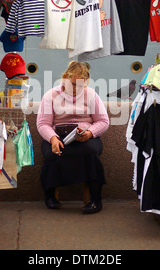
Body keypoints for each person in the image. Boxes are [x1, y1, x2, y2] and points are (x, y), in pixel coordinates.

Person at [36, 61, 110, 214]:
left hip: (84, 136)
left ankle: (96, 199)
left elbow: (103, 121)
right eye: (73, 84)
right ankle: (49, 196)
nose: (77, 89)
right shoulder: (51, 95)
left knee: (90, 152)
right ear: (65, 77)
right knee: (52, 154)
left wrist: (89, 134)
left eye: (81, 85)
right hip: (58, 135)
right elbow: (43, 123)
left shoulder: (91, 95)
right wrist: (53, 139)